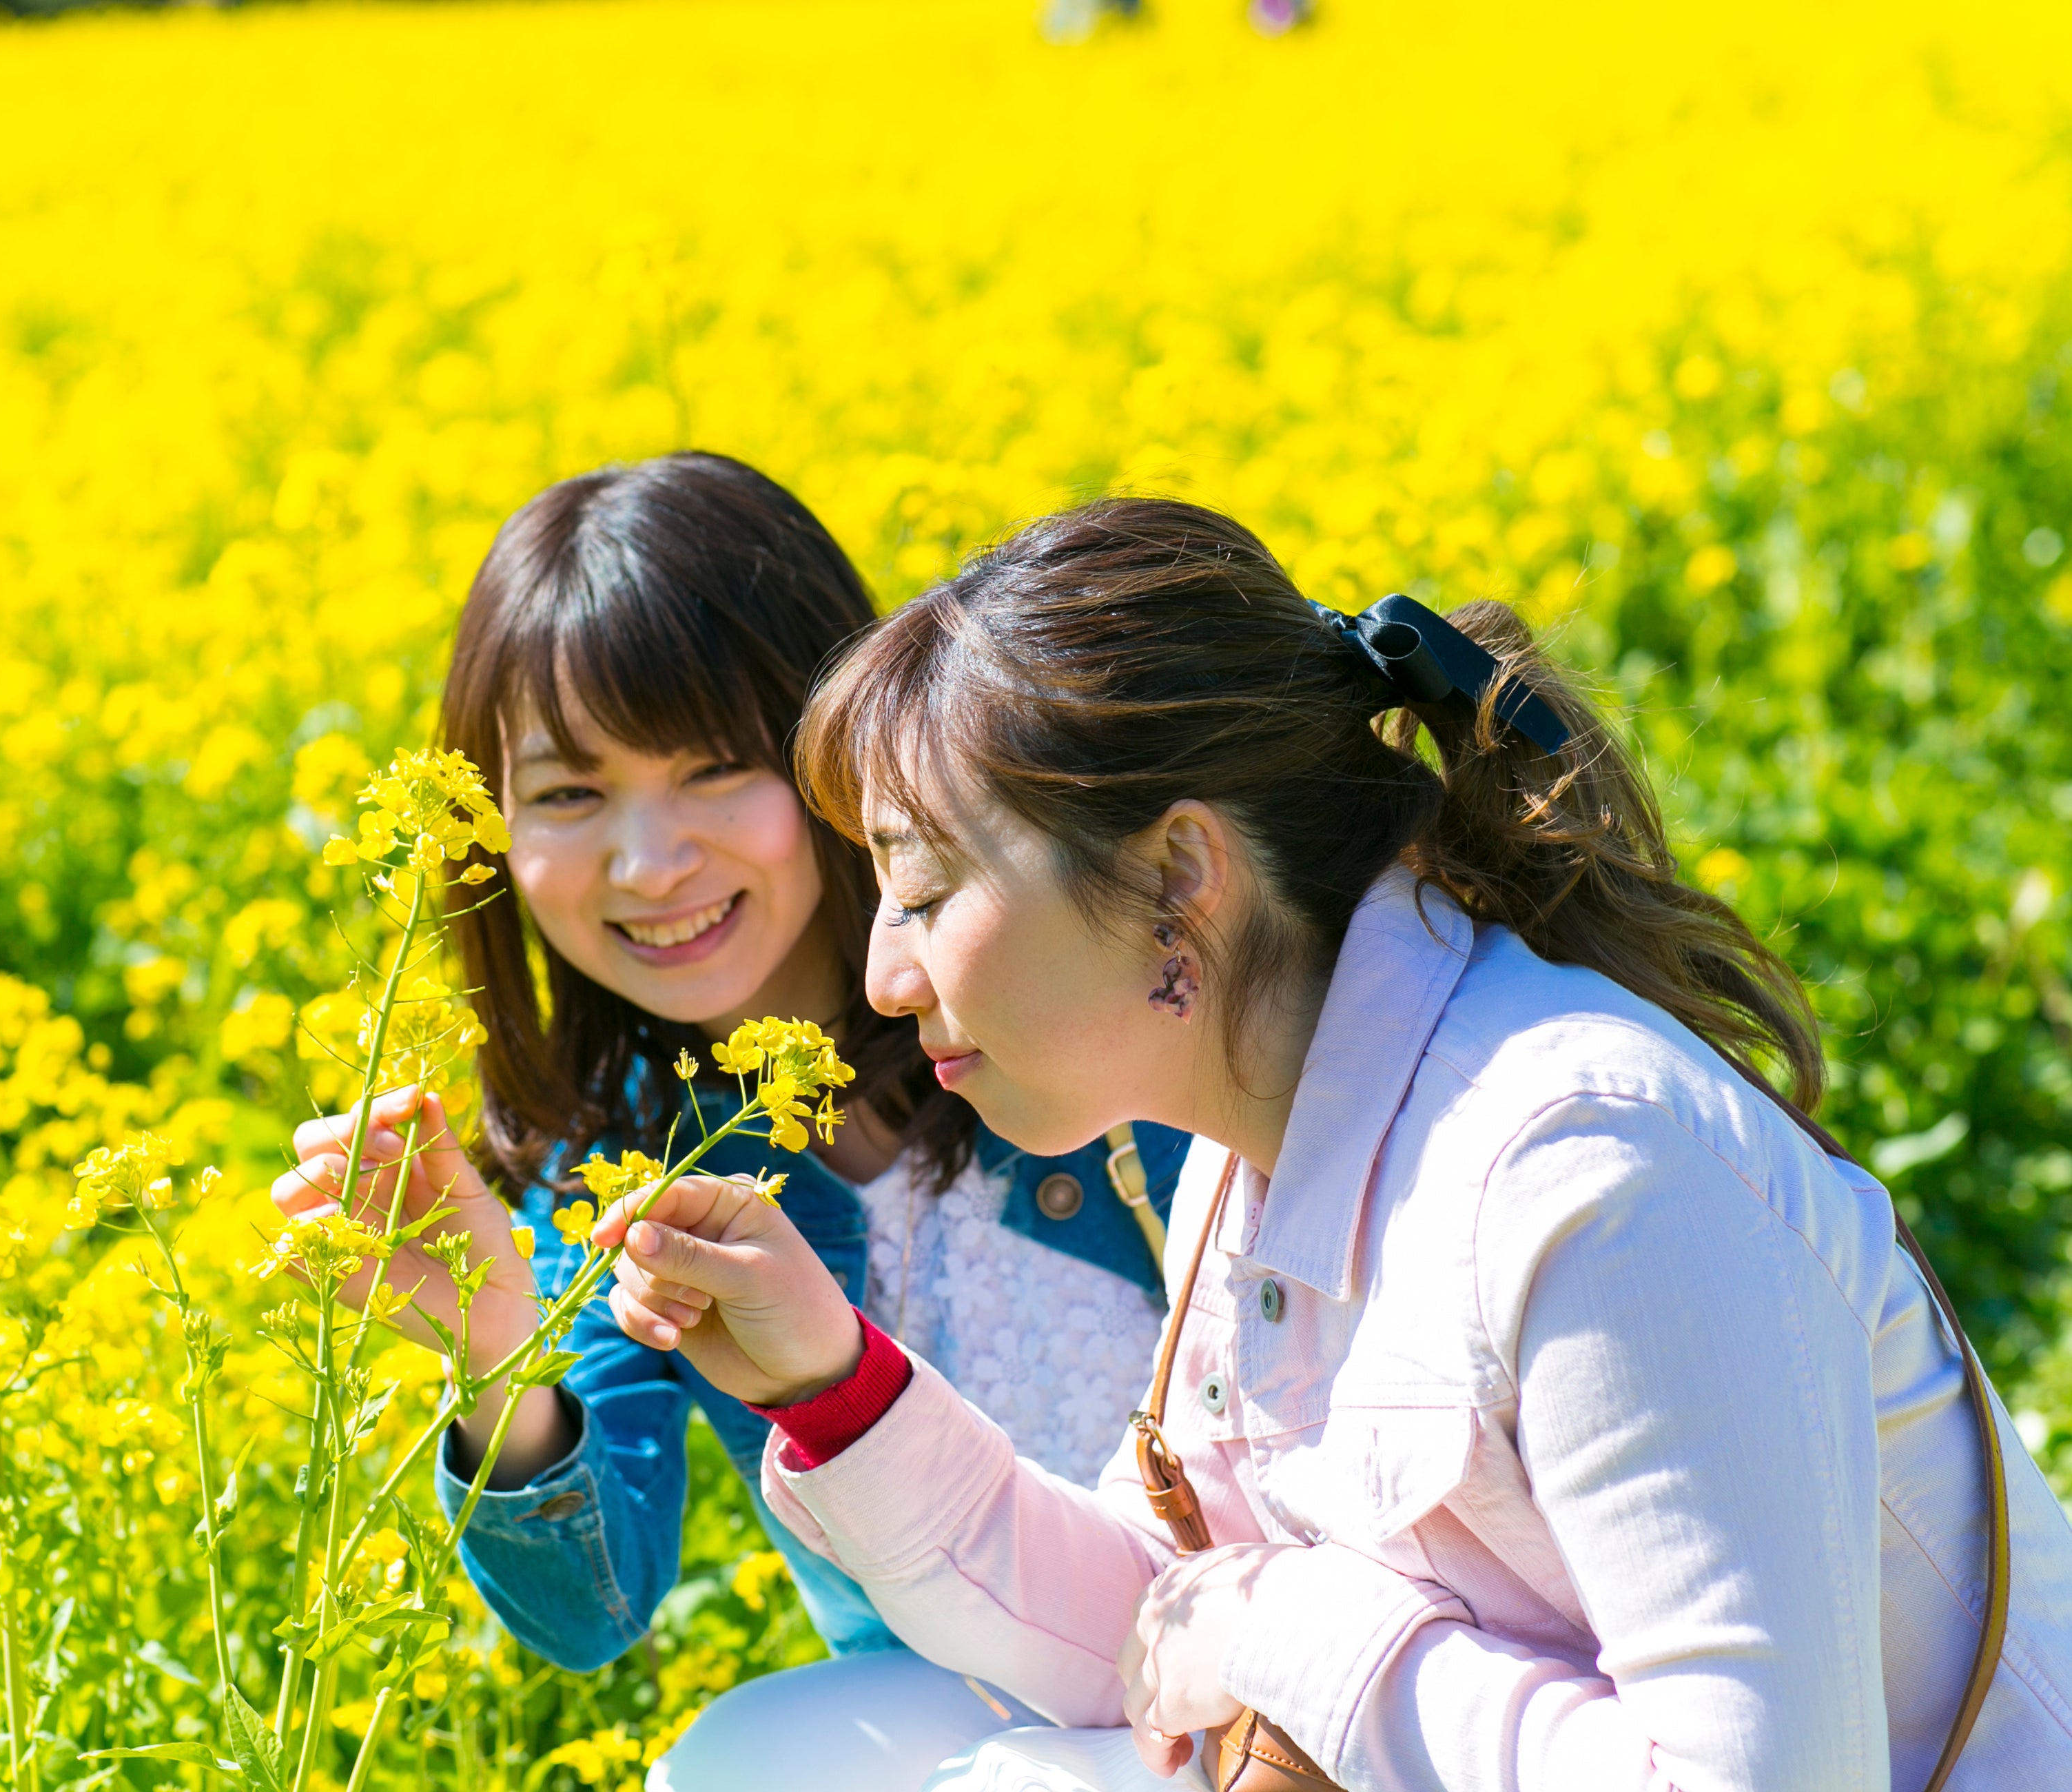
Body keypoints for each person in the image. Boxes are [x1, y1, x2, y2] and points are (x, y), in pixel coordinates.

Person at [591, 498, 2072, 1789]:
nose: (884, 979)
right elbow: (1153, 1628)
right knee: (770, 1760)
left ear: (1182, 873)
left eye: (923, 894)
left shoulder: (1592, 1169)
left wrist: (1292, 1630)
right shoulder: (1255, 1149)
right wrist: (829, 1381)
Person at [269, 456, 1191, 1721]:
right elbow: (593, 1611)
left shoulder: (1070, 973)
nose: (648, 864)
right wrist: (495, 1353)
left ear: (839, 750)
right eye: (570, 795)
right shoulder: (620, 1168)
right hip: (989, 1726)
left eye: (712, 769)